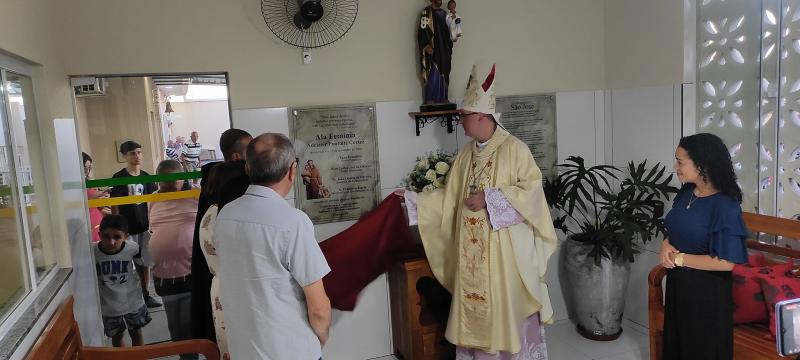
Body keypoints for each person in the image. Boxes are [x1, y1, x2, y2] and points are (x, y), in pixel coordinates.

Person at [402, 65, 556, 358]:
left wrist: (491, 199)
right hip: (472, 261)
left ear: (482, 117)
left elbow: (533, 196)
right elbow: (450, 199)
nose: (460, 122)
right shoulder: (466, 154)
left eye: (463, 116)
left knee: (505, 319)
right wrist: (415, 200)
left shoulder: (515, 150)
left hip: (504, 261)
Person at [215, 133, 331, 359]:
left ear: (248, 168)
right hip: (291, 350)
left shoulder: (226, 214)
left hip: (244, 349)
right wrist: (321, 338)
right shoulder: (293, 222)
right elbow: (318, 307)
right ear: (292, 170)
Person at [660, 133, 748, 360]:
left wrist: (678, 259)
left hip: (706, 295)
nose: (675, 166)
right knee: (677, 347)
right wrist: (665, 245)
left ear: (702, 165)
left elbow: (726, 263)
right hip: (678, 287)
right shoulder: (687, 192)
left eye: (680, 161)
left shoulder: (725, 206)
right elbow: (676, 230)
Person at [190, 128, 252, 342]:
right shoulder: (233, 188)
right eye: (249, 151)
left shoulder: (213, 184)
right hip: (232, 291)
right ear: (236, 157)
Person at [198, 161, 250, 360]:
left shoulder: (211, 211)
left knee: (228, 347)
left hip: (219, 288)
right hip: (237, 289)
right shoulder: (231, 216)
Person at [148, 159, 198, 359]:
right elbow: (153, 227)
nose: (167, 185)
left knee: (188, 324)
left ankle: (190, 357)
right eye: (163, 181)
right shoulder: (152, 198)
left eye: (172, 180)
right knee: (174, 325)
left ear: (183, 178)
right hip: (164, 273)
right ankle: (183, 356)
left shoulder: (195, 194)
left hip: (190, 271)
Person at [111, 140, 161, 308]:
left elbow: (153, 201)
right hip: (127, 228)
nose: (137, 156)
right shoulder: (119, 177)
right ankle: (126, 297)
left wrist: (154, 224)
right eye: (132, 153)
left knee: (144, 263)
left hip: (144, 227)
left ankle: (145, 295)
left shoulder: (146, 177)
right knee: (126, 263)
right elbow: (115, 204)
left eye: (139, 152)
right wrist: (118, 229)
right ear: (125, 156)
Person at [94, 214, 152, 347]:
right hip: (109, 306)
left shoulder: (132, 248)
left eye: (117, 237)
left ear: (126, 236)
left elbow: (140, 266)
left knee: (137, 334)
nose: (111, 242)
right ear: (99, 234)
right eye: (106, 237)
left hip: (132, 300)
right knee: (117, 337)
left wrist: (144, 289)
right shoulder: (93, 252)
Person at [418, 0, 454, 104]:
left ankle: (444, 97)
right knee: (433, 72)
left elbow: (450, 30)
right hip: (434, 50)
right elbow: (422, 31)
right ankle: (430, 98)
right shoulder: (426, 12)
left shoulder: (444, 14)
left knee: (445, 72)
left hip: (444, 49)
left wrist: (454, 35)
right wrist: (426, 45)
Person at [83, 152, 111, 242]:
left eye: (89, 167)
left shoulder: (90, 182)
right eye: (84, 167)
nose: (87, 171)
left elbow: (98, 205)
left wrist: (103, 202)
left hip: (98, 221)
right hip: (84, 223)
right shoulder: (71, 186)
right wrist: (101, 194)